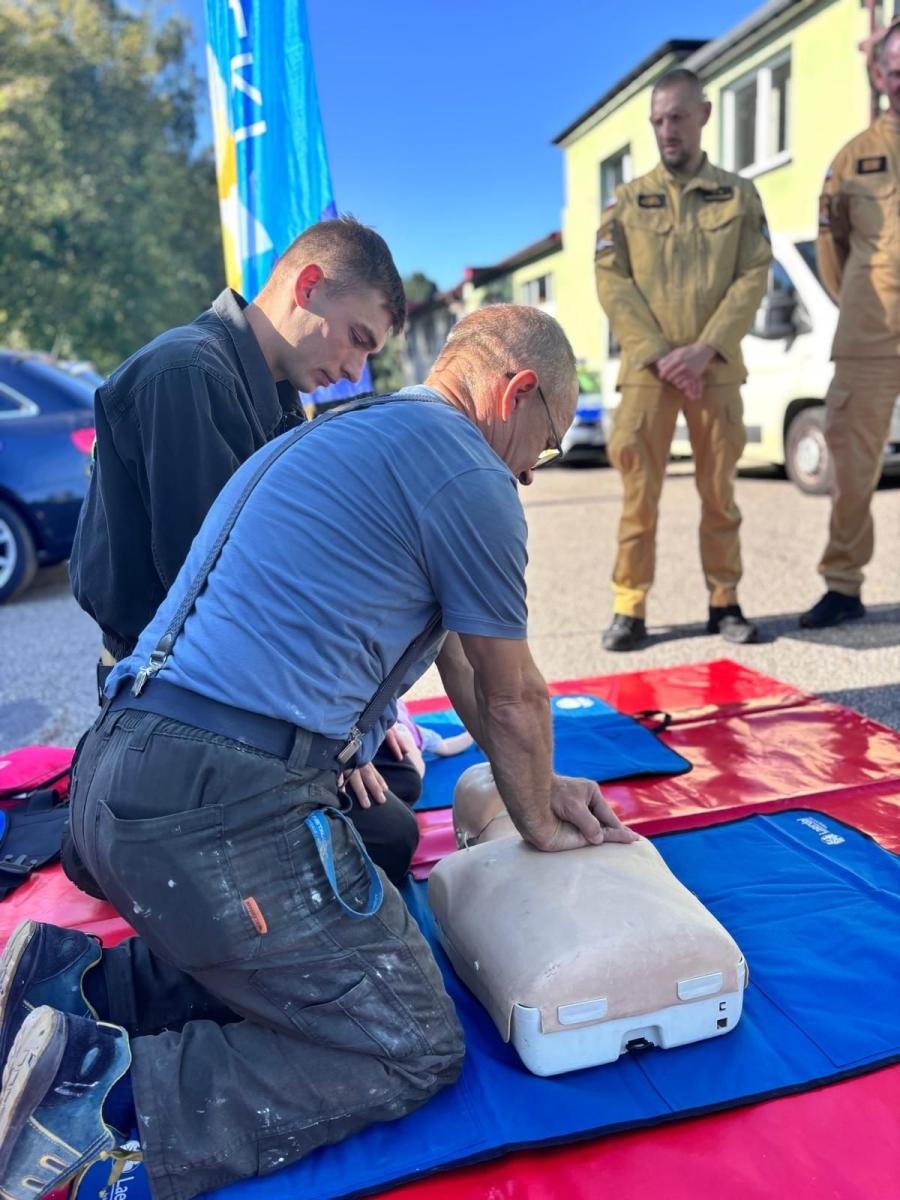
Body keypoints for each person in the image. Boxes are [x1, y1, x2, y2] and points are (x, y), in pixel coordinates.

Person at [0, 304, 637, 1200]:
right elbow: (510, 688)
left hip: (117, 775)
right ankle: (94, 1092)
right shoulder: (469, 472)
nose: (532, 473)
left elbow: (460, 659)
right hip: (208, 801)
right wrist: (538, 822)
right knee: (408, 1037)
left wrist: (535, 777)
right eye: (547, 444)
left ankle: (70, 987)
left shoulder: (348, 431)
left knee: (334, 889)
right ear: (515, 392)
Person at [66, 216, 419, 885]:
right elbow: (221, 602)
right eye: (357, 340)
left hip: (226, 681)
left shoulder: (277, 397)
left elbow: (305, 568)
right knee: (387, 839)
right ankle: (115, 825)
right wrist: (328, 734)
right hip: (175, 699)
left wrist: (362, 722)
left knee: (391, 773)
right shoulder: (187, 376)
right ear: (309, 286)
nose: (353, 369)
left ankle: (131, 826)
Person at [595, 68, 772, 651]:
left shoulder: (739, 196)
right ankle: (630, 608)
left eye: (676, 117)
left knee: (720, 493)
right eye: (657, 121)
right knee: (638, 496)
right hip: (649, 374)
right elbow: (612, 281)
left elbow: (753, 275)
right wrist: (661, 353)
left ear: (703, 113)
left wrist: (703, 349)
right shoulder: (625, 200)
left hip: (714, 369)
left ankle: (725, 602)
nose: (666, 130)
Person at [800, 21, 900, 629]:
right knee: (852, 461)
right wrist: (859, 301)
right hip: (869, 334)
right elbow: (830, 246)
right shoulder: (852, 159)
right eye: (895, 66)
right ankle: (843, 584)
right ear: (879, 73)